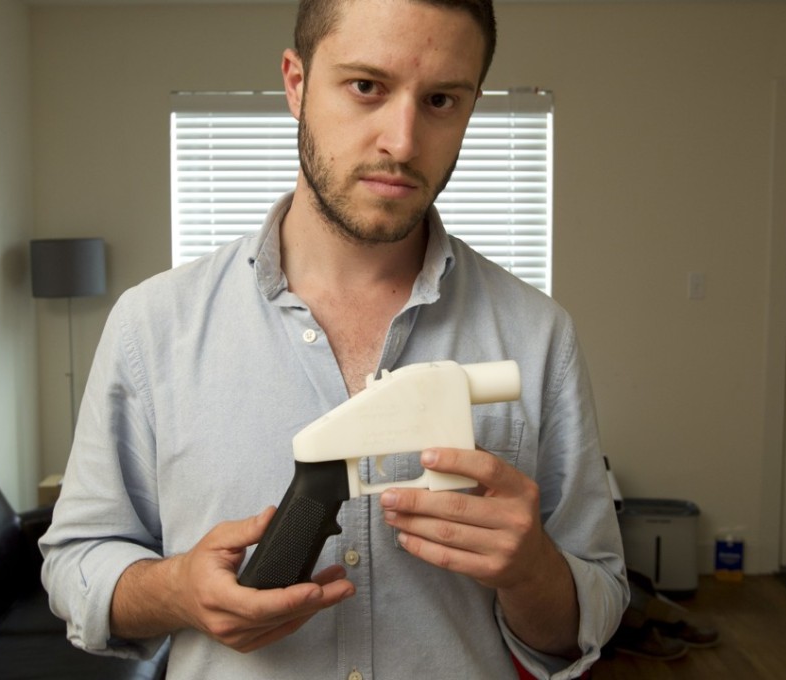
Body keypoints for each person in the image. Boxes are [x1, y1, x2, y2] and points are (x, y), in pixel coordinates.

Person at [39, 1, 629, 678]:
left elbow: (595, 605)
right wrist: (177, 591)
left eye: (441, 100)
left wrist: (531, 573)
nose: (402, 143)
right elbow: (76, 563)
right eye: (366, 86)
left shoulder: (539, 336)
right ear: (296, 83)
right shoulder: (151, 326)